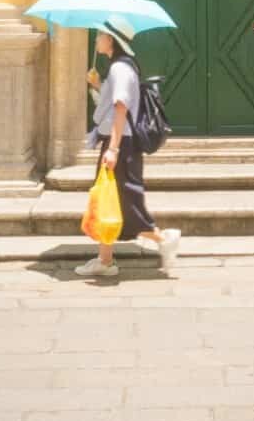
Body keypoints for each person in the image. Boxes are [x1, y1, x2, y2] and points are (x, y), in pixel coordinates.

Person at [75, 16, 181, 280]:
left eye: (99, 35)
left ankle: (163, 238)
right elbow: (115, 102)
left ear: (111, 39)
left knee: (124, 201)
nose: (96, 39)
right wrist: (98, 84)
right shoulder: (118, 67)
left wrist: (113, 149)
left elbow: (121, 108)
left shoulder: (120, 69)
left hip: (121, 143)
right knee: (109, 198)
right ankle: (105, 260)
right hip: (120, 142)